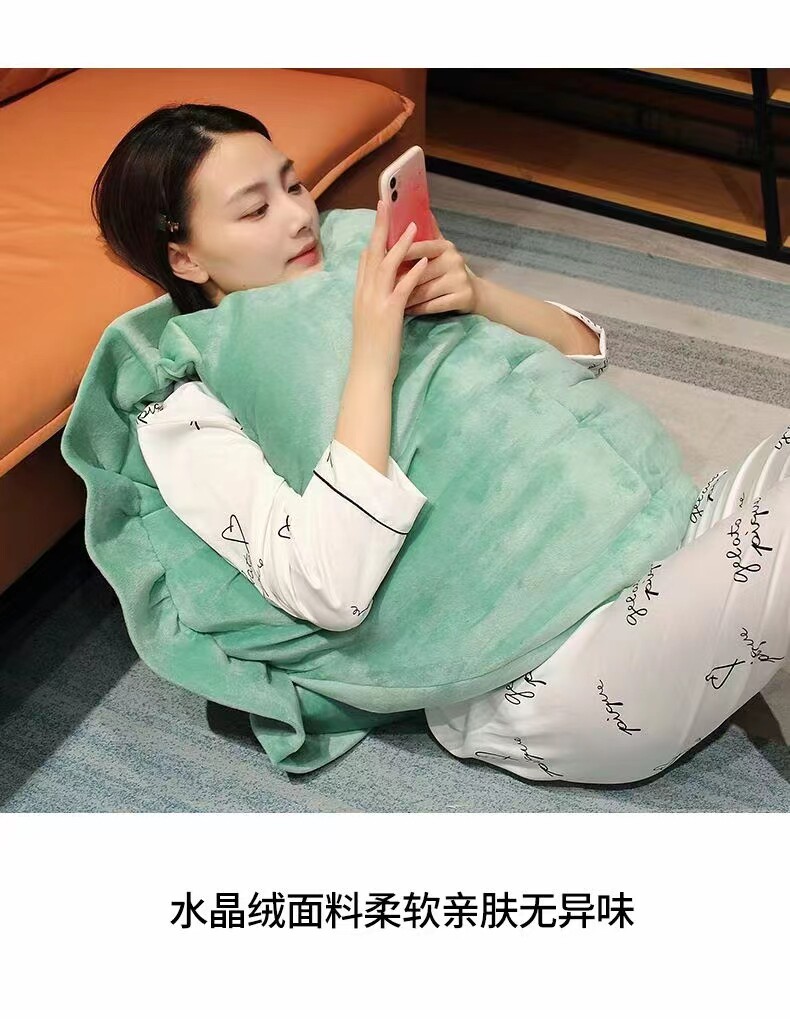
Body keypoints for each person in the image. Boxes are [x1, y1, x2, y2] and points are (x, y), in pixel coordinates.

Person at [92, 103, 789, 785]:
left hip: (663, 532)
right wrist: (373, 353)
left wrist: (479, 295)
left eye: (294, 184)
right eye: (255, 210)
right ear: (185, 257)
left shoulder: (350, 263)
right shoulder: (187, 403)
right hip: (549, 672)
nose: (300, 216)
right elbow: (327, 588)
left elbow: (584, 356)